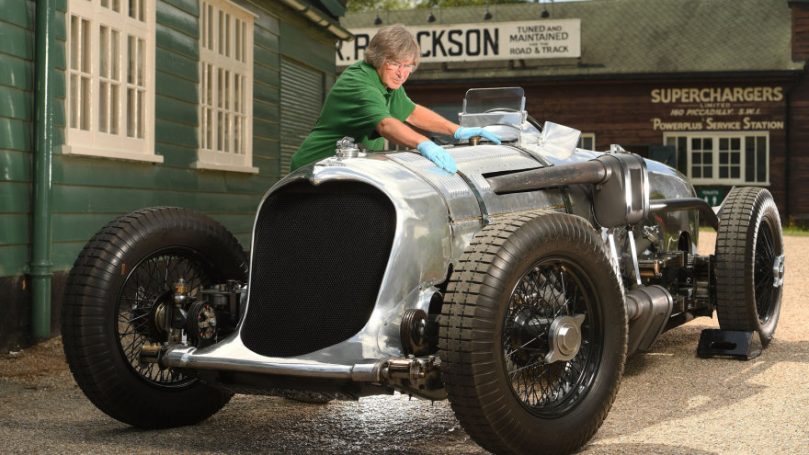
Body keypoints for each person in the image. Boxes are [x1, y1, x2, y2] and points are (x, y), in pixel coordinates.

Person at [289, 24, 500, 174]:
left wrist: (456, 130)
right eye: (396, 64)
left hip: (347, 173)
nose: (402, 73)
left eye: (408, 65)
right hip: (314, 172)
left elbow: (412, 112)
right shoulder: (360, 82)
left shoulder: (389, 82)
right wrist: (424, 143)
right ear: (379, 59)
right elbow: (385, 124)